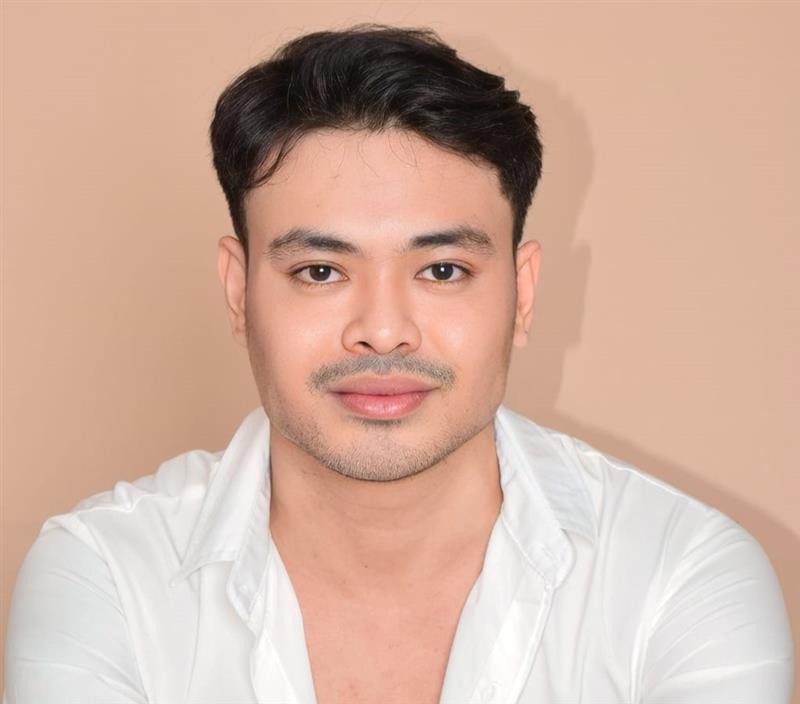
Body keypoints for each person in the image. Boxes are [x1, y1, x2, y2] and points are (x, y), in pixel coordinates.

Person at [4, 23, 794, 704]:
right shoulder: (106, 578)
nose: (383, 333)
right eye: (320, 271)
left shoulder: (677, 578)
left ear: (521, 295)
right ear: (239, 291)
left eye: (443, 270)